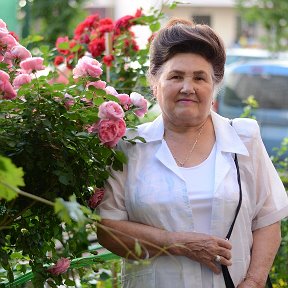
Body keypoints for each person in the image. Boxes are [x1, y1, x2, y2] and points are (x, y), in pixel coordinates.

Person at [97, 18, 288, 288]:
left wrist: (255, 281)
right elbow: (108, 229)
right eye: (176, 76)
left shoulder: (244, 139)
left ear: (214, 87)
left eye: (200, 77)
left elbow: (268, 220)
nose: (188, 87)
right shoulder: (129, 146)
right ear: (155, 83)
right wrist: (176, 243)